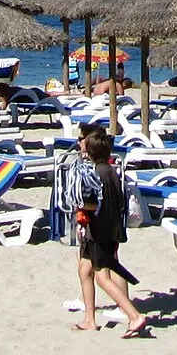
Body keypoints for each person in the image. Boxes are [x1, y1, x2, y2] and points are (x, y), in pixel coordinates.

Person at [68, 127, 147, 338]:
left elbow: (94, 203)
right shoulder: (111, 171)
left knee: (102, 277)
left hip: (100, 231)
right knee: (84, 269)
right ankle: (89, 320)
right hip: (103, 229)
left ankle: (133, 315)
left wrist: (77, 203)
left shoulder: (97, 173)